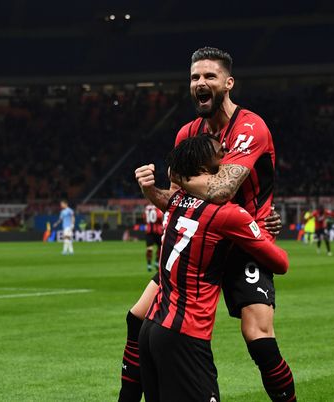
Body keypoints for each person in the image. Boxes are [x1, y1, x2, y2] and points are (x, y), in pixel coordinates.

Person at [122, 47, 295, 402]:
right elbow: (176, 201)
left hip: (245, 240)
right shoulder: (188, 134)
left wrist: (178, 176)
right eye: (194, 77)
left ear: (228, 83)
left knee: (258, 337)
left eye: (209, 76)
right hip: (200, 241)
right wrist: (151, 190)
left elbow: (222, 189)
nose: (200, 83)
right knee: (137, 318)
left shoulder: (250, 126)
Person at [139, 135, 289, 402]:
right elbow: (281, 263)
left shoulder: (176, 200)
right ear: (204, 165)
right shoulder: (228, 214)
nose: (226, 154)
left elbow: (172, 187)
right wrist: (260, 230)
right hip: (185, 335)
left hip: (152, 328)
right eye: (220, 152)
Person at [143, 204, 163, 271]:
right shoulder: (158, 207)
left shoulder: (147, 208)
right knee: (160, 248)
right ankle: (157, 262)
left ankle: (149, 265)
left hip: (149, 232)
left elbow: (144, 218)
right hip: (158, 231)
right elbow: (160, 217)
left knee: (149, 249)